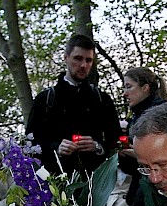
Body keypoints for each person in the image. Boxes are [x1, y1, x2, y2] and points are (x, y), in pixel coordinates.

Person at [25, 34, 121, 176]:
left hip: (96, 180)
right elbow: (31, 142)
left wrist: (97, 146)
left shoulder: (102, 99)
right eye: (78, 58)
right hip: (57, 181)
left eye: (88, 60)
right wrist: (56, 148)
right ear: (66, 58)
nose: (83, 65)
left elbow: (115, 140)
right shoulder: (45, 99)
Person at [105, 67, 167, 206]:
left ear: (145, 88)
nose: (125, 93)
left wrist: (136, 153)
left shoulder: (160, 114)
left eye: (129, 86)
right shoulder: (138, 115)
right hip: (140, 188)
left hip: (155, 192)